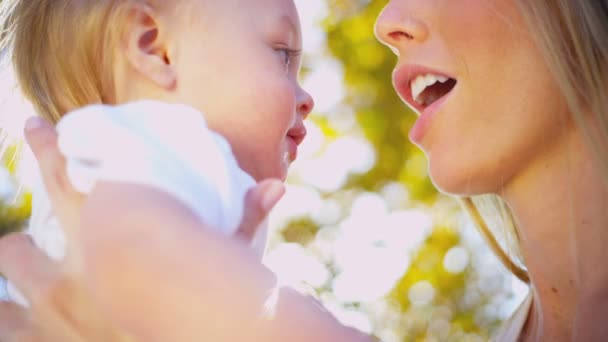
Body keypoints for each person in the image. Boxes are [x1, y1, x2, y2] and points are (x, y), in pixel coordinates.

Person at [1, 0, 608, 341]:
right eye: (282, 54)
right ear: (155, 49)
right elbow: (143, 257)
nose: (386, 21)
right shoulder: (139, 148)